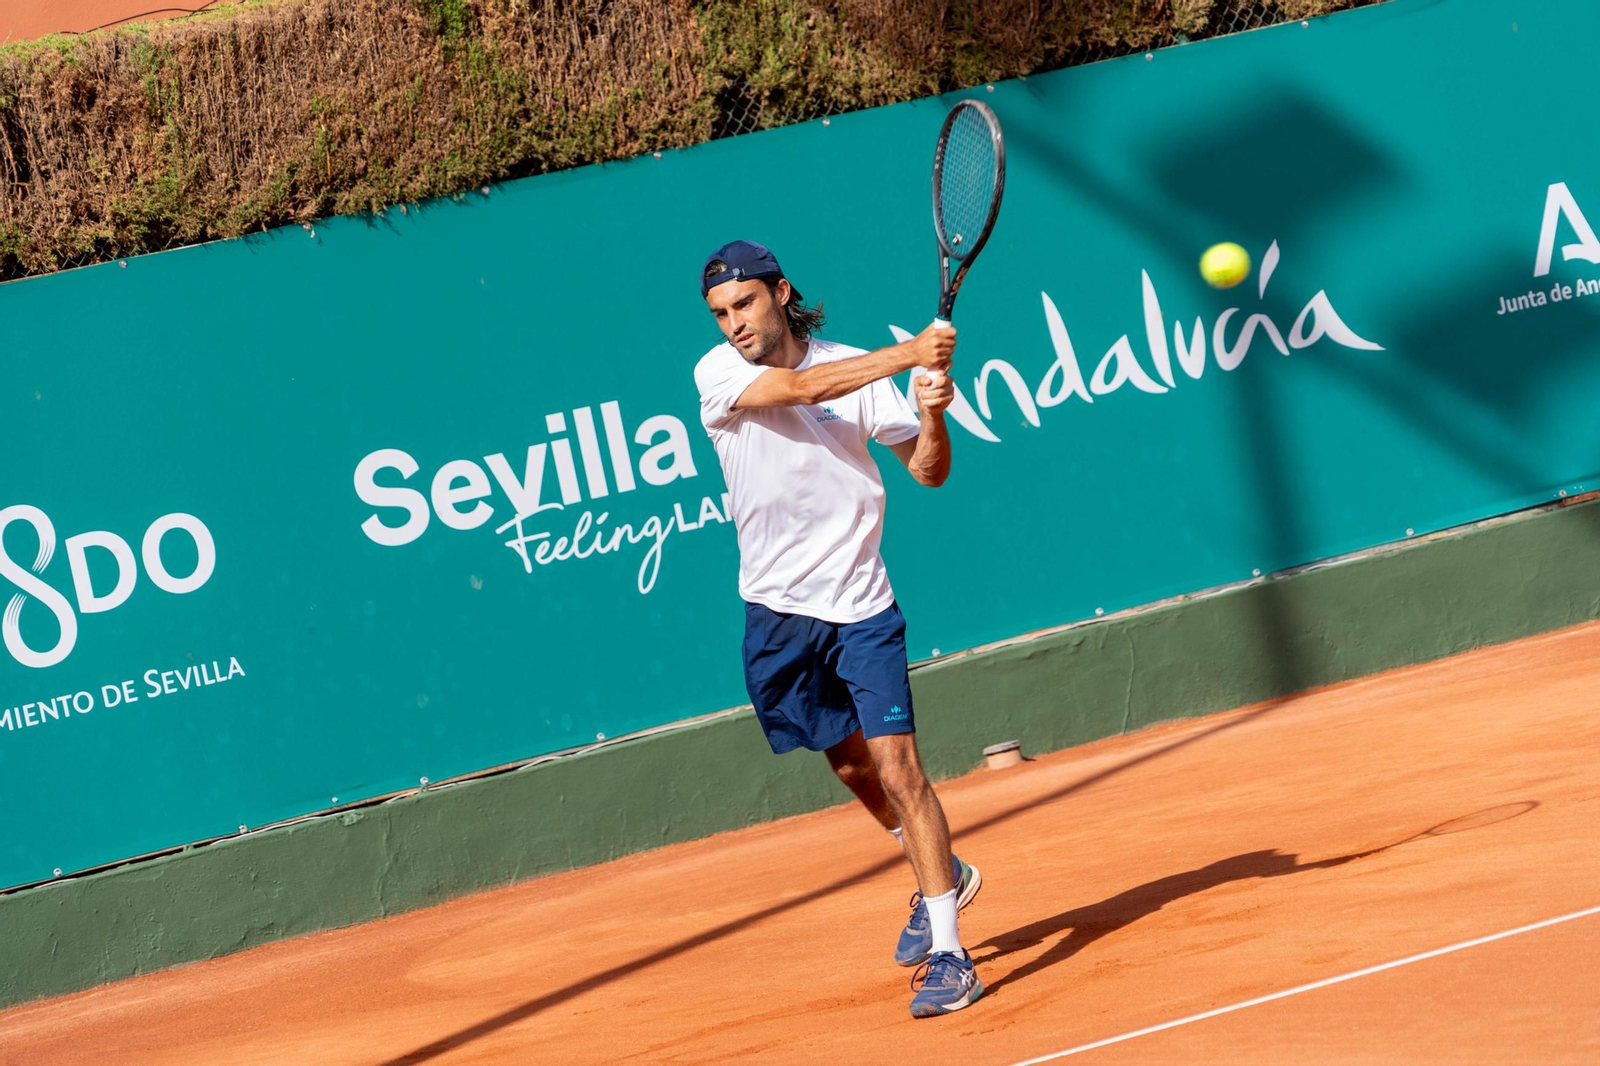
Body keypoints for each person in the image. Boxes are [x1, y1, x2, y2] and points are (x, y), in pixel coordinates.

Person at [692, 239, 984, 1018]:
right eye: (721, 313)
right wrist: (910, 354)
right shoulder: (719, 374)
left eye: (745, 304)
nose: (734, 324)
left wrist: (930, 414)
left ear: (780, 292)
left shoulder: (854, 365)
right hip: (778, 612)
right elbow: (800, 385)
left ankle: (951, 951)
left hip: (861, 605)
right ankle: (941, 869)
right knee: (851, 768)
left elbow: (927, 470)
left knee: (899, 771)